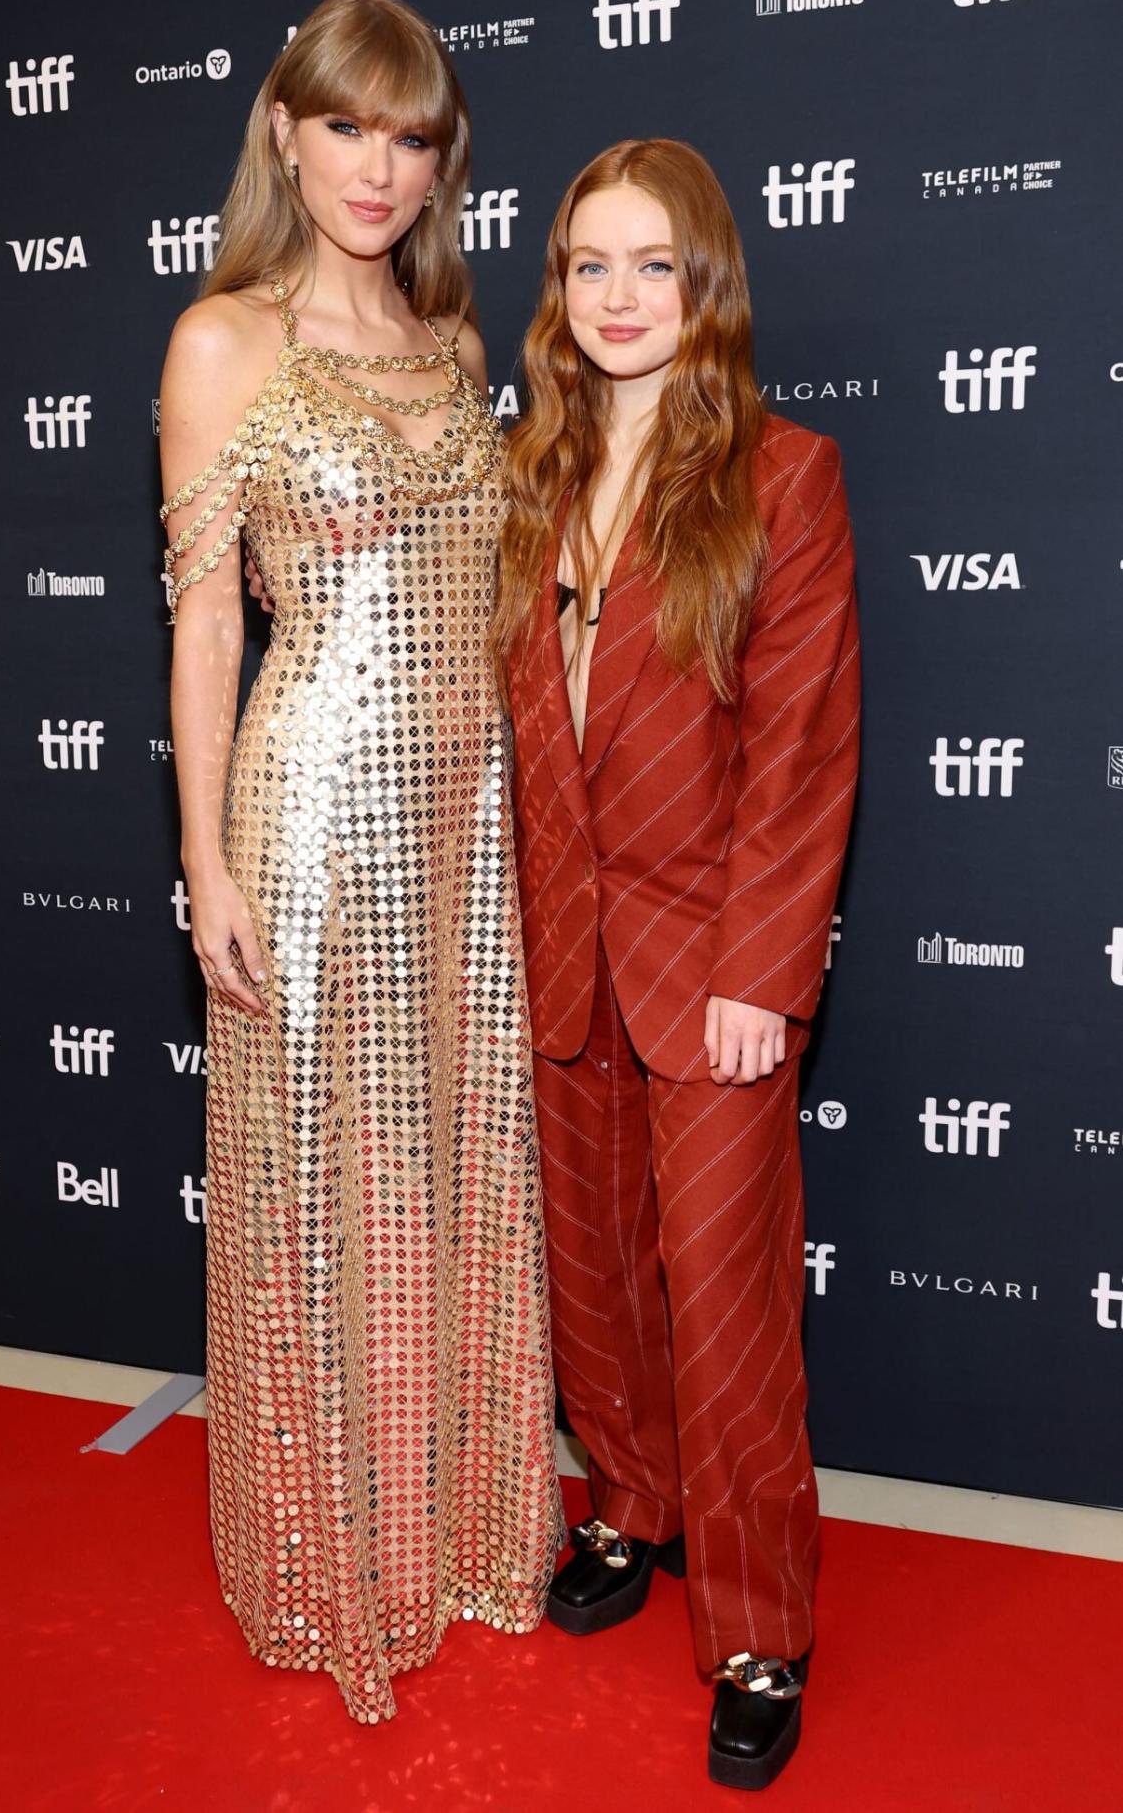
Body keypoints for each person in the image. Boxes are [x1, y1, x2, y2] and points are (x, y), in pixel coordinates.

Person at [157, 0, 562, 1725]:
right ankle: (334, 1555)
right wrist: (206, 863)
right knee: (320, 1181)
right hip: (309, 815)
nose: (376, 168)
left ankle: (463, 1518)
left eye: (410, 137)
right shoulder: (223, 343)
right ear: (285, 133)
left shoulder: (458, 342)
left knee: (451, 1171)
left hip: (466, 831)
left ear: (437, 156)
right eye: (346, 128)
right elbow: (197, 632)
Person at [491, 139, 860, 1789]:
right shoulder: (525, 475)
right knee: (593, 1281)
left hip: (710, 960)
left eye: (652, 264)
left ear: (703, 283)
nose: (619, 296)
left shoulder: (783, 474)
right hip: (560, 949)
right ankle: (630, 1506)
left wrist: (763, 970)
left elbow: (799, 751)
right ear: (555, 290)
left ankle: (757, 1621)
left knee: (719, 1306)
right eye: (588, 264)